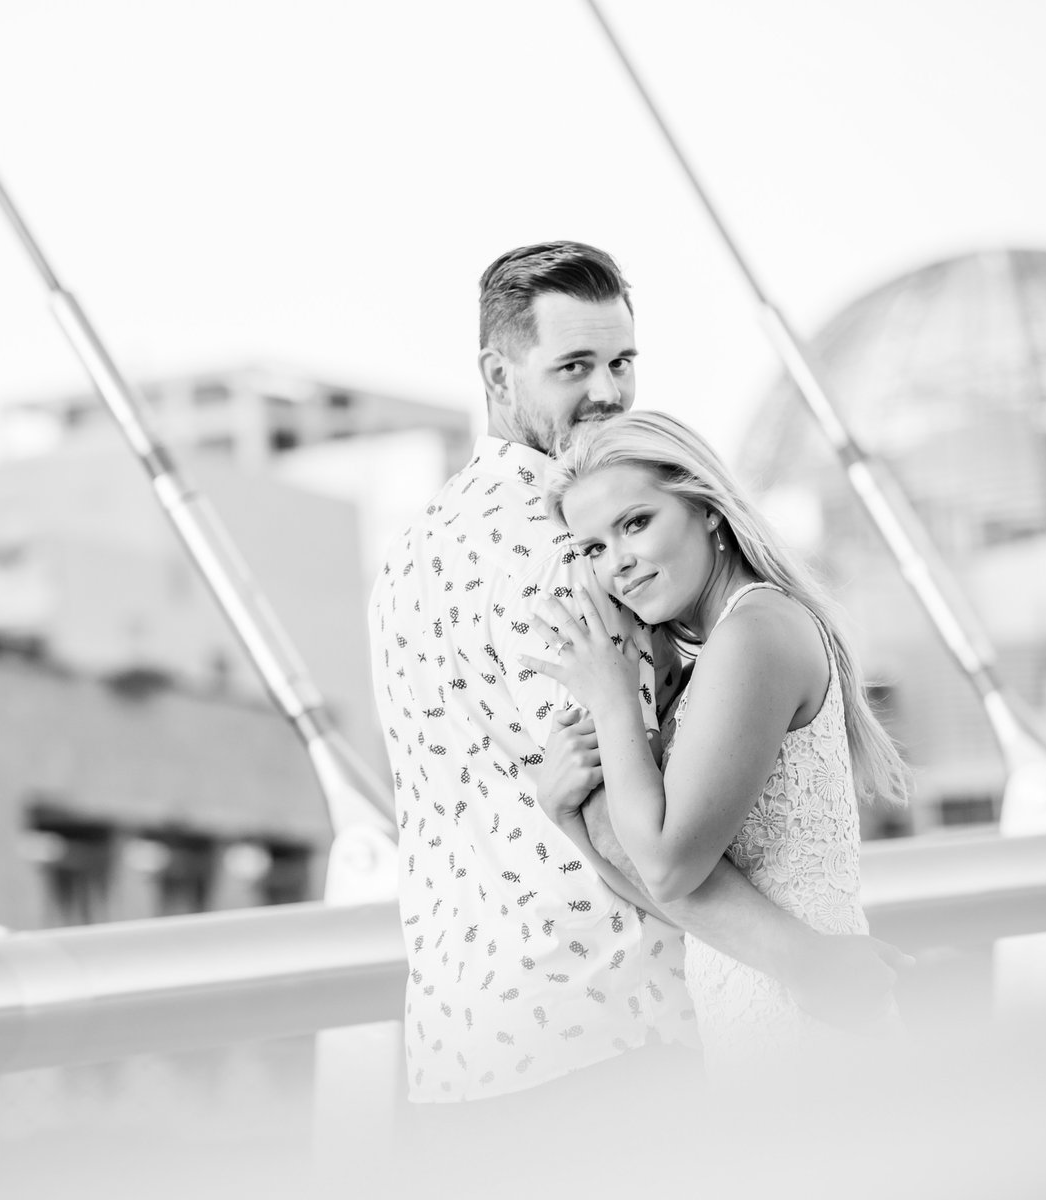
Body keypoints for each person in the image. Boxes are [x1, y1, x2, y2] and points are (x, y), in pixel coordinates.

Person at [368, 240, 905, 1108]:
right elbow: (616, 818)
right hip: (609, 1028)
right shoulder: (556, 541)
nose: (607, 392)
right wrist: (810, 965)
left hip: (459, 1046)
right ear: (497, 374)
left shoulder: (409, 555)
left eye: (621, 362)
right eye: (573, 366)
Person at [524, 409, 908, 1075]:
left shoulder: (753, 634)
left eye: (635, 523)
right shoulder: (719, 650)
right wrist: (564, 816)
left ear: (704, 508)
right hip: (758, 1016)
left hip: (808, 1028)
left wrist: (613, 699)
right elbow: (678, 898)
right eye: (593, 549)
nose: (618, 564)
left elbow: (669, 868)